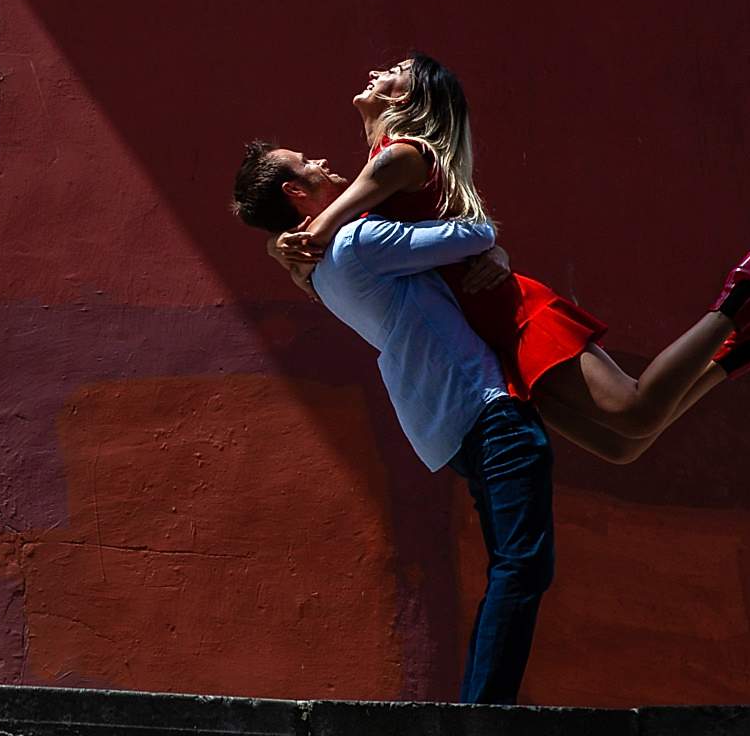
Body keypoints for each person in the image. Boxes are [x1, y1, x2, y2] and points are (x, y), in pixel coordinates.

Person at [270, 53, 750, 464]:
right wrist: (288, 248)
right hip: (490, 330)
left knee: (633, 410)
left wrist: (292, 242)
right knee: (620, 446)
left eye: (395, 70)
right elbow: (365, 241)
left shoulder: (399, 158)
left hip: (510, 313)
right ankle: (741, 352)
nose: (377, 72)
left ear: (407, 100)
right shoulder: (384, 165)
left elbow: (331, 232)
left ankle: (740, 298)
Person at [232, 145, 550, 704]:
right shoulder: (359, 241)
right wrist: (492, 248)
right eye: (305, 162)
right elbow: (474, 233)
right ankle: (483, 713)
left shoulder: (320, 271)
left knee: (514, 564)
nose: (321, 160)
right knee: (522, 565)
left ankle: (482, 707)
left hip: (447, 422)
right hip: (485, 405)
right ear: (295, 192)